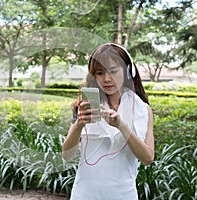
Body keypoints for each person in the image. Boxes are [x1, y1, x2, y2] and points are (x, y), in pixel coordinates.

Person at [62, 43, 154, 200]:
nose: (107, 79)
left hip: (123, 195)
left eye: (113, 71)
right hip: (84, 195)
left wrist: (121, 126)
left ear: (127, 71)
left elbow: (147, 158)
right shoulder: (85, 105)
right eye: (100, 72)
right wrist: (79, 125)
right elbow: (67, 155)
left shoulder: (142, 109)